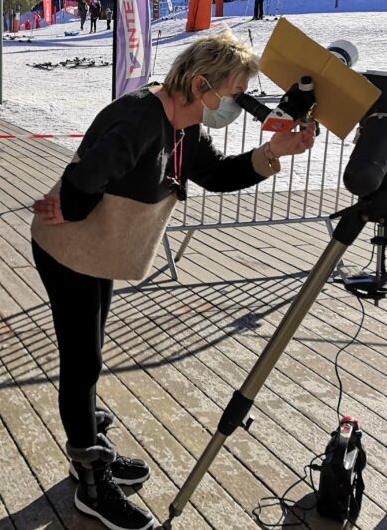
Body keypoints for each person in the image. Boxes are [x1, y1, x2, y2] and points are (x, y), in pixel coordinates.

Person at [30, 32, 315, 530]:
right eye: (234, 94)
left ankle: (89, 451)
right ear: (201, 83)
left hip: (98, 250)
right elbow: (83, 177)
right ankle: (90, 479)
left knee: (90, 353)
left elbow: (217, 175)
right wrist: (67, 209)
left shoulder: (185, 125)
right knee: (83, 360)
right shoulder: (140, 117)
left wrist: (273, 153)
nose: (236, 105)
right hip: (69, 250)